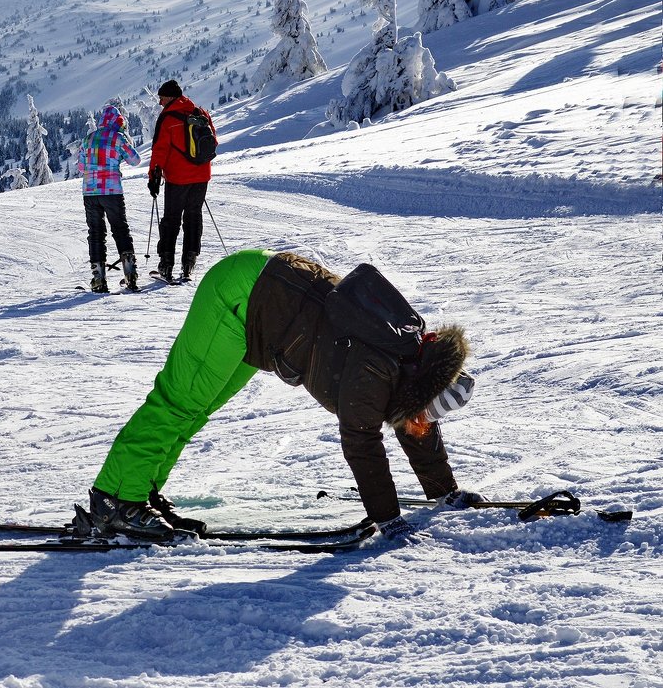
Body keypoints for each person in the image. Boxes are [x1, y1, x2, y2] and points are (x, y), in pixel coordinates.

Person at [78, 249, 480, 543]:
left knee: (197, 407)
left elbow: (417, 430)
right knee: (179, 401)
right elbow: (362, 443)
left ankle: (139, 489)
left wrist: (444, 493)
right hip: (239, 296)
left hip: (263, 303)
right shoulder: (375, 371)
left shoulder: (410, 360)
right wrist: (388, 520)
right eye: (427, 413)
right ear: (422, 392)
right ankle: (116, 501)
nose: (423, 424)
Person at [147, 80, 215, 283]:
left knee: (171, 219)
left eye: (161, 97)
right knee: (193, 217)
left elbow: (160, 150)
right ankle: (189, 263)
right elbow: (213, 143)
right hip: (201, 176)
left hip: (177, 178)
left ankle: (166, 264)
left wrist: (153, 177)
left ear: (170, 97)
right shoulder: (200, 112)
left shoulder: (168, 118)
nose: (159, 102)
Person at [77, 104, 142, 292]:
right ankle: (130, 274)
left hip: (90, 192)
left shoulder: (88, 139)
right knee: (120, 229)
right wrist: (116, 158)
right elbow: (135, 160)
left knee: (96, 233)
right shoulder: (118, 138)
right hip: (112, 191)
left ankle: (99, 279)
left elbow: (81, 167)